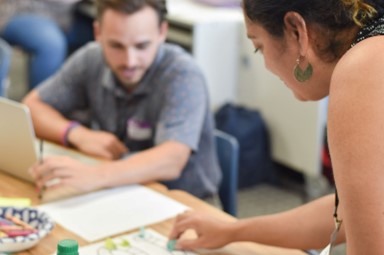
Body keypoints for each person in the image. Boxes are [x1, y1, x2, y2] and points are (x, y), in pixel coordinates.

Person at [169, 0, 384, 254]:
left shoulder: (362, 67)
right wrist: (233, 231)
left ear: (296, 30)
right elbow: (353, 212)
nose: (267, 65)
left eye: (259, 47)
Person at [23, 0, 221, 199]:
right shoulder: (91, 59)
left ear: (162, 32)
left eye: (142, 46)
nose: (129, 61)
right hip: (118, 188)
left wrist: (95, 175)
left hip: (182, 201)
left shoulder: (183, 73)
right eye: (116, 46)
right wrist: (76, 134)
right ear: (98, 32)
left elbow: (172, 159)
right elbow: (30, 107)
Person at [0, 0, 94, 89]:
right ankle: (40, 100)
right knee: (51, 45)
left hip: (66, 18)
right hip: (24, 11)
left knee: (98, 36)